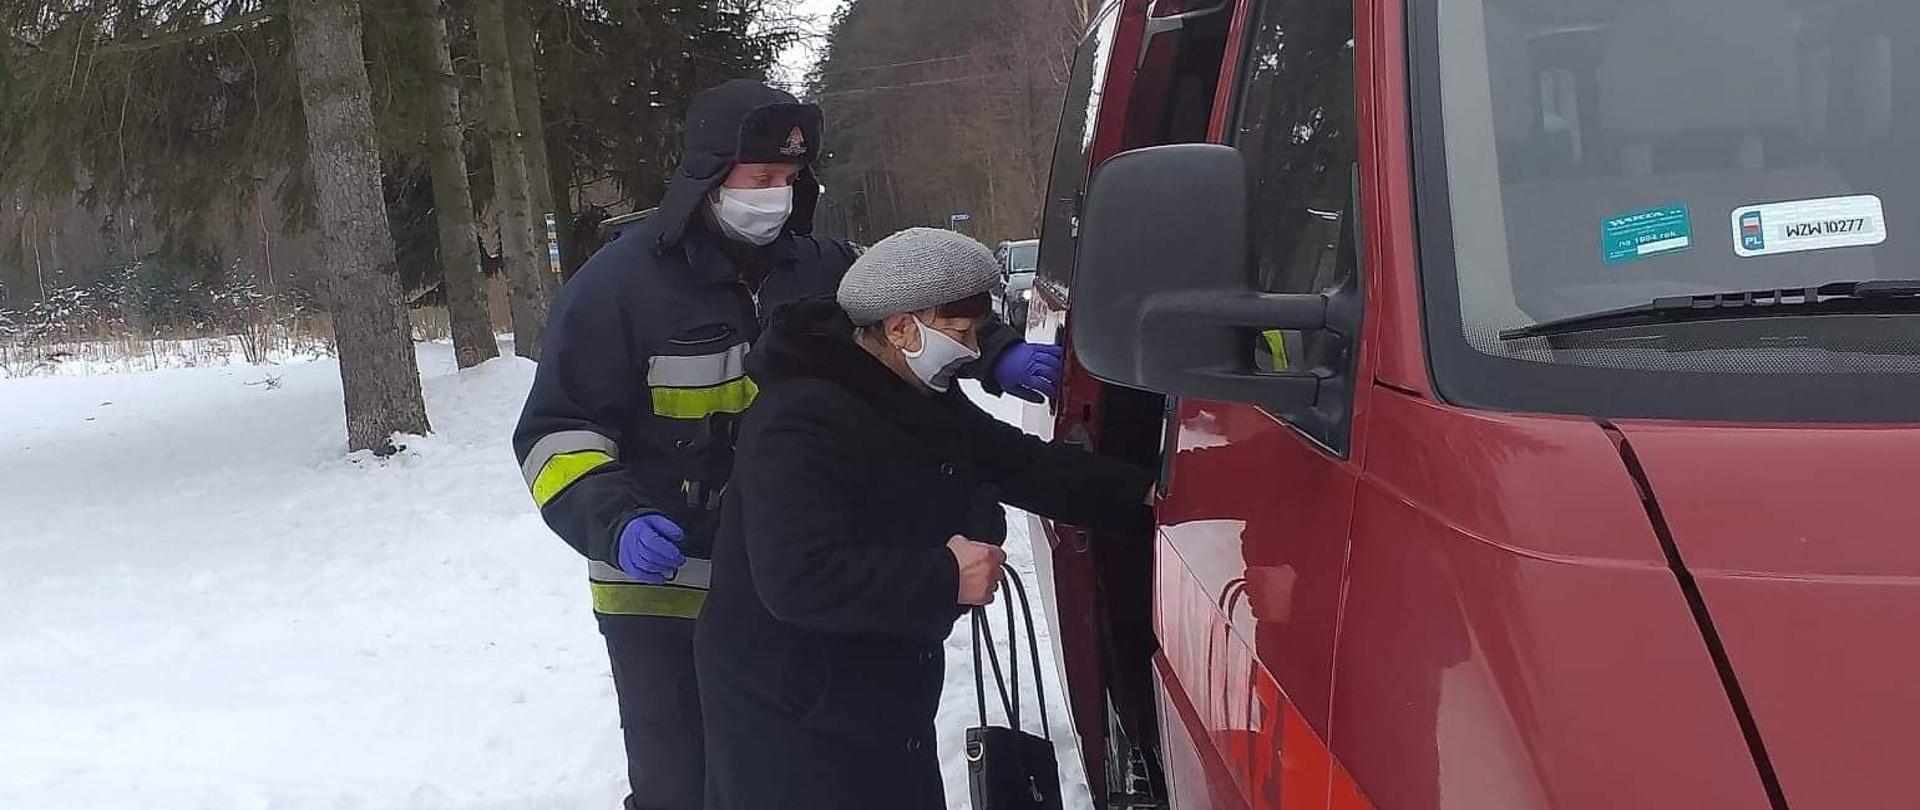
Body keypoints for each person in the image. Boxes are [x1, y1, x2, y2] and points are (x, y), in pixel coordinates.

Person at [510, 81, 1064, 810]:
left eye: (790, 179)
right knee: (679, 781)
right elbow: (558, 434)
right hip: (665, 590)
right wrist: (616, 520)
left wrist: (993, 351)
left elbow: (917, 304)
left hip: (793, 591)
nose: (776, 194)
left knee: (795, 778)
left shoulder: (826, 266)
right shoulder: (616, 289)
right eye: (760, 179)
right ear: (709, 176)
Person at [695, 228, 1155, 809]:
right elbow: (796, 578)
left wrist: (1150, 496)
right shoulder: (799, 420)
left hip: (876, 695)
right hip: (794, 715)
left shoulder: (915, 390)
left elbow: (1021, 463)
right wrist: (945, 576)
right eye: (959, 333)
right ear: (900, 327)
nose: (969, 350)